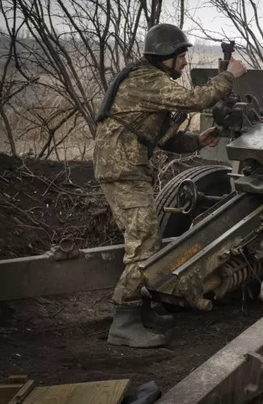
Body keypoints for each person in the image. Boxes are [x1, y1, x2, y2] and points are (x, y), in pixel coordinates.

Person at [93, 23, 246, 349]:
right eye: (182, 56)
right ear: (167, 56)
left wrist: (197, 140)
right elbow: (195, 99)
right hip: (122, 172)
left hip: (128, 169)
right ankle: (124, 321)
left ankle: (141, 309)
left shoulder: (148, 80)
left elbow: (158, 138)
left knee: (147, 240)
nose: (185, 63)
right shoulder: (147, 80)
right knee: (145, 244)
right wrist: (228, 75)